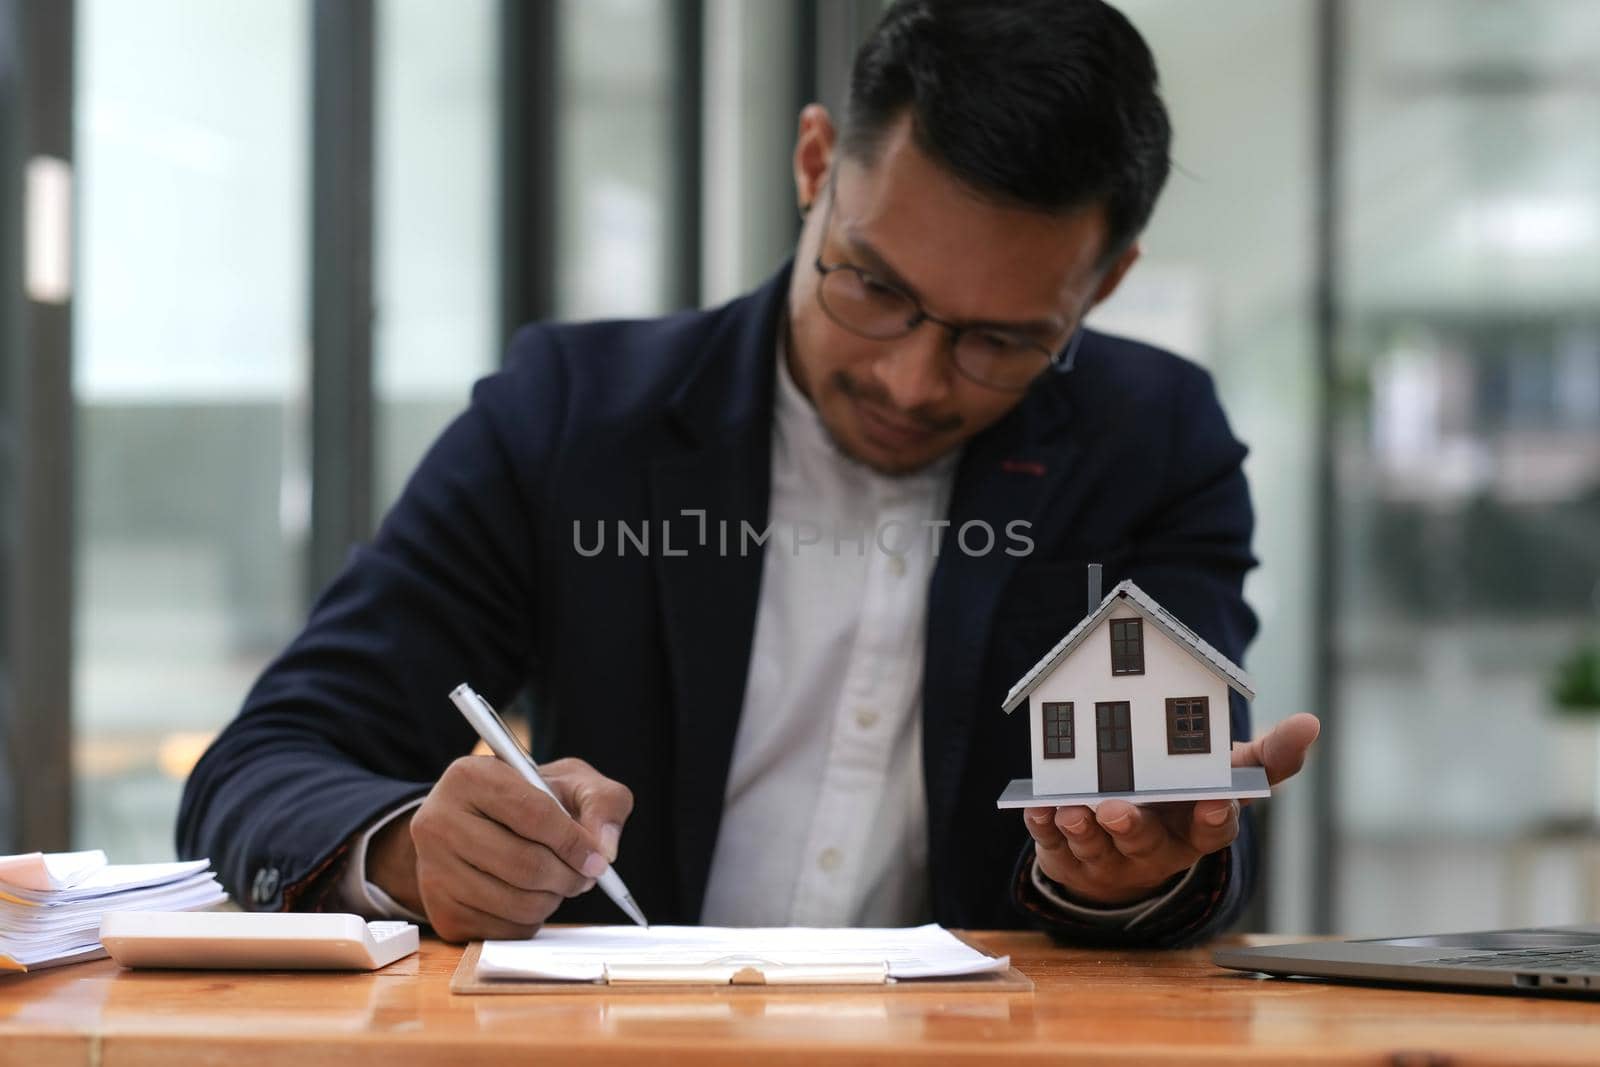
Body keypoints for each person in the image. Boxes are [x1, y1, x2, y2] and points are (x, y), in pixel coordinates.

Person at [178, 0, 1318, 947]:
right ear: (816, 161)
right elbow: (267, 762)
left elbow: (1187, 803)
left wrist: (1126, 872)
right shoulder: (575, 414)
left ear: (1104, 283)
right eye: (872, 287)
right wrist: (409, 852)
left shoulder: (1149, 439)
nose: (915, 380)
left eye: (1000, 340)